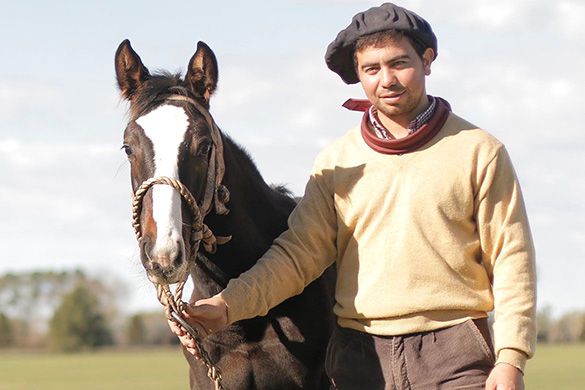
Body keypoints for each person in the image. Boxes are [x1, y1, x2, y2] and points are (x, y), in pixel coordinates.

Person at [170, 3, 536, 389]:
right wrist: (226, 306)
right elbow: (298, 256)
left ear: (427, 61)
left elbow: (512, 260)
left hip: (453, 355)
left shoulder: (479, 151)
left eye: (400, 63)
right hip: (359, 360)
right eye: (372, 69)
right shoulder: (337, 162)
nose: (387, 79)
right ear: (358, 75)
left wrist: (511, 359)